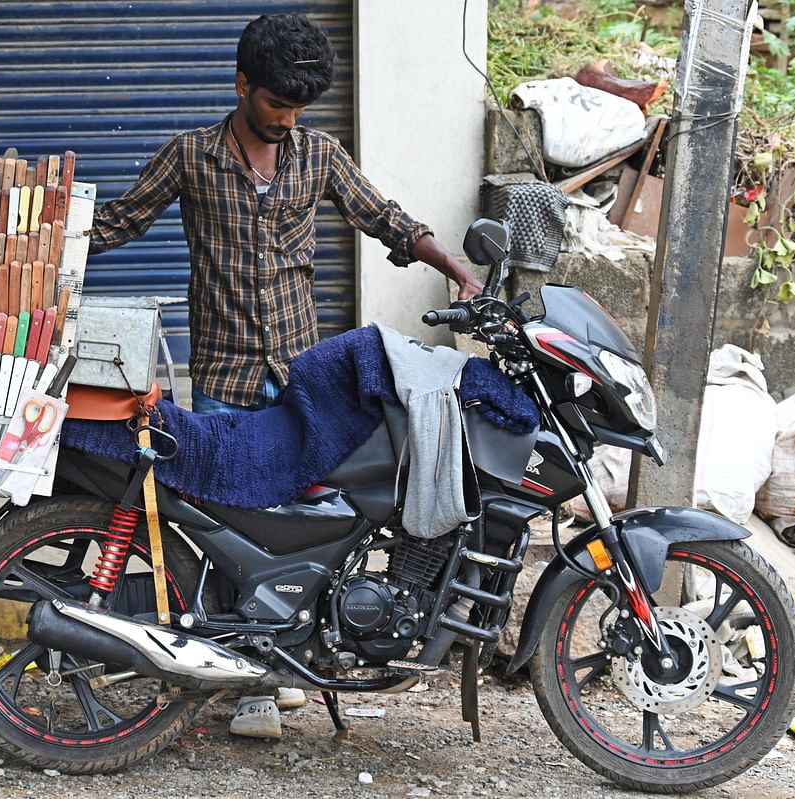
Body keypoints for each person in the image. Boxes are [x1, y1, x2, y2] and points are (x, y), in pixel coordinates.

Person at [86, 12, 482, 738]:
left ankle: (288, 651)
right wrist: (40, 248)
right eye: (276, 105)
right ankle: (250, 687)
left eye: (299, 108)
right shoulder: (191, 156)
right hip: (225, 377)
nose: (286, 120)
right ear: (242, 85)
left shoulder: (319, 155)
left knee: (302, 525)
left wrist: (455, 268)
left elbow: (384, 217)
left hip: (301, 375)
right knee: (229, 525)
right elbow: (120, 222)